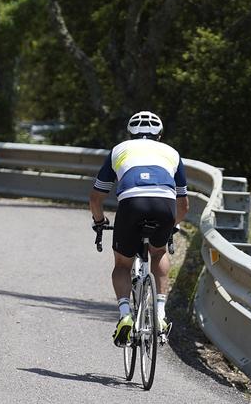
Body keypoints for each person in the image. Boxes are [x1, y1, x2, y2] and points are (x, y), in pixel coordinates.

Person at [89, 111, 189, 346]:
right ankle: (161, 315)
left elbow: (95, 198)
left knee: (122, 264)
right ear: (160, 136)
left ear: (130, 134)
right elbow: (184, 204)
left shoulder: (119, 150)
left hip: (132, 203)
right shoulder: (172, 153)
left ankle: (125, 315)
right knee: (159, 252)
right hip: (164, 204)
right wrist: (172, 226)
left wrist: (100, 221)